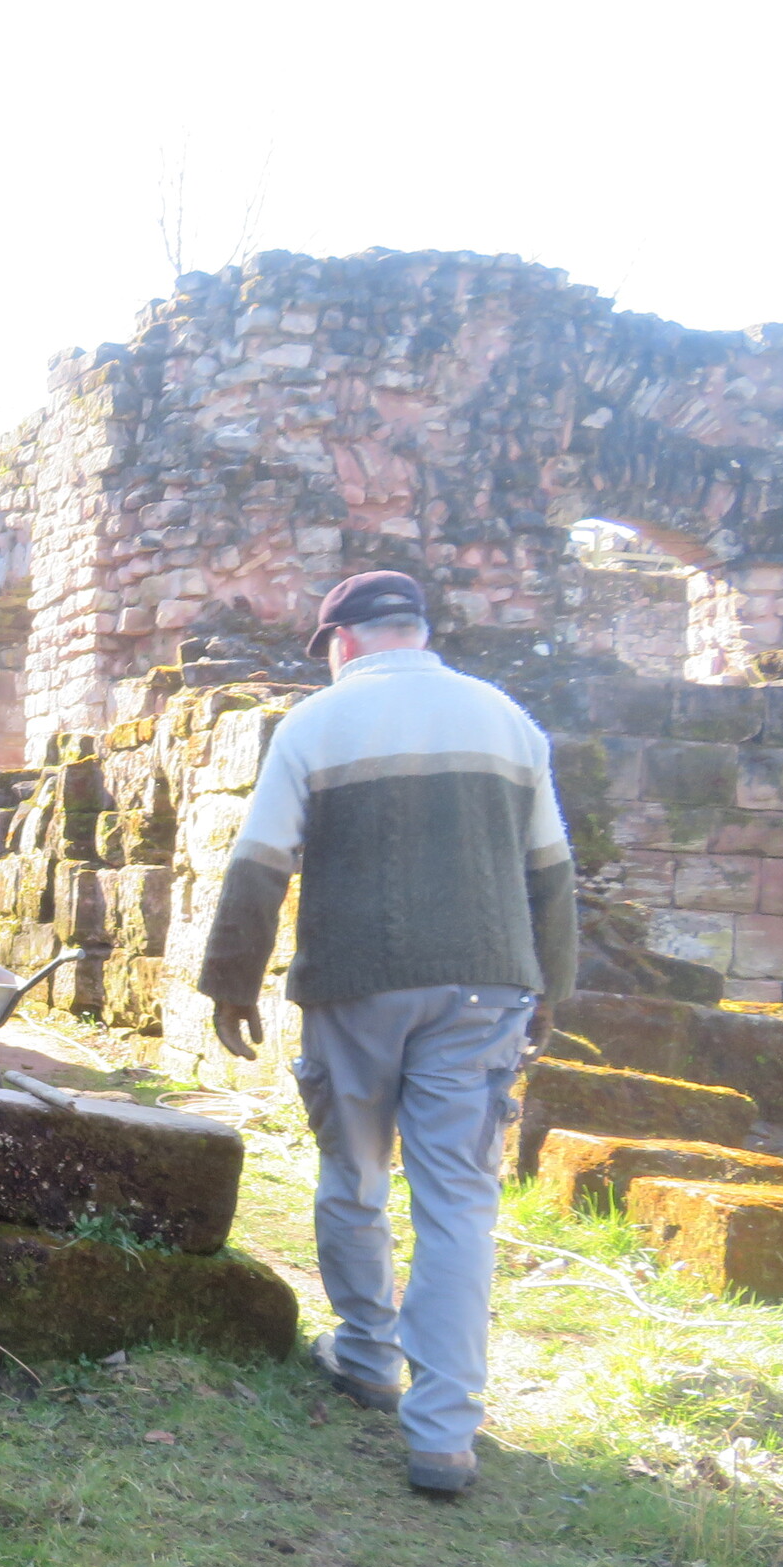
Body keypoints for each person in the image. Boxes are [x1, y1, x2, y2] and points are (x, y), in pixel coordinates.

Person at [196, 571, 575, 1495]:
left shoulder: (317, 723)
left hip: (356, 983)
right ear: (418, 632)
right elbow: (551, 870)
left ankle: (368, 1353)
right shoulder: (508, 720)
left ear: (343, 642)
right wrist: (551, 987)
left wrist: (232, 983)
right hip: (485, 983)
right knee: (459, 1203)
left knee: (355, 1171)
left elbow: (260, 863)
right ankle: (445, 1433)